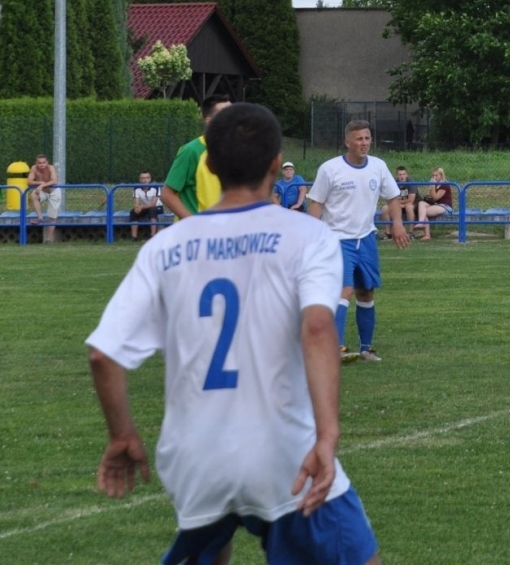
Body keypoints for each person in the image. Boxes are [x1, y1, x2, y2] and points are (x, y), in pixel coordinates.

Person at [85, 103, 382, 565]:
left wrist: (122, 435)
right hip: (283, 452)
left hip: (193, 458)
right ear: (273, 163)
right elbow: (319, 326)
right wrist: (327, 434)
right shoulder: (308, 236)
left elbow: (103, 355)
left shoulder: (165, 246)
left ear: (209, 164)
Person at [308, 121, 408, 363]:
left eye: (367, 138)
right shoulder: (330, 169)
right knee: (345, 289)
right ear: (347, 142)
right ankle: (336, 348)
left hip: (366, 239)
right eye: (359, 139)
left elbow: (393, 197)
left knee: (366, 292)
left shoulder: (378, 166)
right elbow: (316, 203)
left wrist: (397, 223)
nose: (364, 143)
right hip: (337, 239)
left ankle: (366, 349)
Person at [162, 95, 232, 220]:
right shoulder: (191, 151)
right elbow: (167, 194)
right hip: (194, 235)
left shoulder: (236, 150)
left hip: (222, 233)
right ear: (209, 121)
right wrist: (193, 223)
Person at [414, 167, 453, 241]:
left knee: (423, 211)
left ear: (441, 176)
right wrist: (432, 187)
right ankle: (421, 224)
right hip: (436, 205)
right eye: (433, 176)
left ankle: (426, 233)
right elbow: (431, 197)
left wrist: (432, 186)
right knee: (421, 204)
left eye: (436, 175)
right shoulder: (435, 184)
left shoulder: (445, 185)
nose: (434, 177)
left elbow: (435, 197)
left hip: (445, 206)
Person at [128, 172, 160, 241]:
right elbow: (136, 202)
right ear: (140, 180)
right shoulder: (136, 188)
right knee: (133, 212)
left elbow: (153, 204)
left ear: (150, 179)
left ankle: (153, 236)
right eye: (143, 178)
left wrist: (141, 207)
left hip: (157, 207)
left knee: (152, 210)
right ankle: (134, 237)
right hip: (144, 207)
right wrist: (137, 208)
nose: (145, 180)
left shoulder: (156, 187)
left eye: (147, 178)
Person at [27, 153, 57, 224]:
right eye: (39, 163)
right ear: (36, 163)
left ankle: (50, 233)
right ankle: (40, 218)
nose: (42, 164)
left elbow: (54, 181)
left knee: (52, 218)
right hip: (43, 191)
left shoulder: (51, 168)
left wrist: (42, 185)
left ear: (47, 163)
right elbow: (29, 182)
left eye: (44, 163)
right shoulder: (34, 168)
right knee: (33, 195)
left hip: (53, 191)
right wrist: (40, 182)